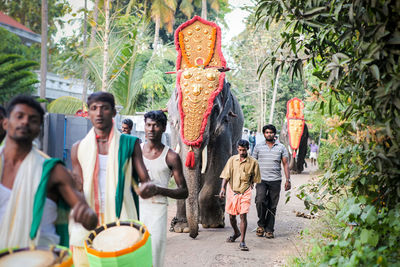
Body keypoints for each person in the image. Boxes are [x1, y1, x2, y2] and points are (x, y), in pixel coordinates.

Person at [69, 92, 158, 266]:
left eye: (105, 108)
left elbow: (145, 180)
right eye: (94, 108)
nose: (99, 113)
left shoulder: (130, 143)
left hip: (121, 220)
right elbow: (78, 186)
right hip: (87, 219)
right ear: (88, 113)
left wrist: (147, 187)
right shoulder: (78, 148)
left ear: (114, 113)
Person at [0, 95, 98, 250]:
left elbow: (90, 218)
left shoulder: (53, 171)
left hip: (42, 258)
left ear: (39, 128)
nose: (25, 121)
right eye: (19, 116)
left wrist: (87, 215)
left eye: (32, 119)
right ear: (5, 123)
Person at [139, 110, 188, 267]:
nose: (151, 129)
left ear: (164, 128)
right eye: (148, 125)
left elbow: (183, 191)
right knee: (135, 252)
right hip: (136, 208)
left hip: (158, 209)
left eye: (156, 125)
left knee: (155, 254)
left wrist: (159, 190)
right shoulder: (136, 151)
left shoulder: (171, 156)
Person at [219, 139, 261, 251]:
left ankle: (242, 241)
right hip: (232, 191)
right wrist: (222, 188)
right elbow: (226, 175)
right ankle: (236, 232)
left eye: (244, 150)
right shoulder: (232, 160)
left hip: (245, 191)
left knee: (243, 216)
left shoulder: (253, 162)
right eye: (240, 150)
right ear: (237, 148)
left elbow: (255, 177)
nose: (242, 152)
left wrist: (251, 183)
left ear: (248, 149)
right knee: (232, 217)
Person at [252, 124, 290, 239]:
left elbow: (285, 164)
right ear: (264, 134)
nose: (269, 134)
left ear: (275, 134)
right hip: (261, 180)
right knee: (260, 201)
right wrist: (250, 179)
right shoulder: (258, 147)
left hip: (275, 180)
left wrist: (288, 180)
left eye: (271, 132)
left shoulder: (281, 147)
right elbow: (253, 164)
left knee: (272, 206)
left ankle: (269, 229)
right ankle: (261, 224)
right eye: (267, 132)